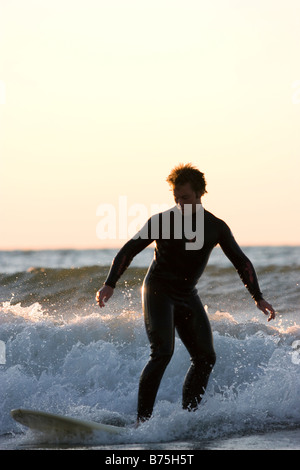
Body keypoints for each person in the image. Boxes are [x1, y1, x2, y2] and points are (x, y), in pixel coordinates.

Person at [96, 163, 275, 424]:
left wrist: (258, 297)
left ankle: (188, 419)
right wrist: (109, 283)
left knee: (205, 358)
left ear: (200, 193)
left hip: (187, 294)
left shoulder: (215, 226)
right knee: (162, 353)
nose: (181, 204)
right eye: (176, 198)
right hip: (158, 290)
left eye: (186, 198)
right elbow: (128, 250)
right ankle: (141, 422)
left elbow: (241, 262)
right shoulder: (162, 221)